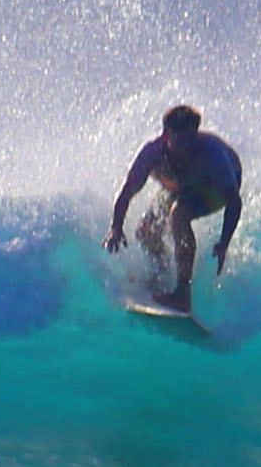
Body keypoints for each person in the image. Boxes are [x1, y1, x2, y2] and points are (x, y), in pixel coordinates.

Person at [103, 105, 243, 313]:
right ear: (166, 135)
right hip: (179, 184)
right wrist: (115, 227)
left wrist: (224, 242)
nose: (187, 147)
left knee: (178, 215)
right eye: (180, 140)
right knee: (145, 231)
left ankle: (182, 293)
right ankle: (161, 275)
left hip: (213, 189)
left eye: (191, 139)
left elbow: (234, 201)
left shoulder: (212, 153)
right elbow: (126, 193)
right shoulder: (151, 154)